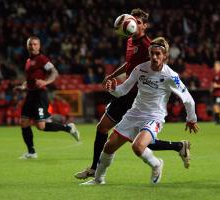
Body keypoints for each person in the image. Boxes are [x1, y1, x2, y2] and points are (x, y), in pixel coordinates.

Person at [75, 9, 192, 180]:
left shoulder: (148, 46)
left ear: (144, 25)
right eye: (131, 20)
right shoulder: (130, 40)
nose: (132, 24)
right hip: (125, 93)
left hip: (138, 97)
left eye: (137, 22)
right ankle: (95, 170)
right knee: (103, 128)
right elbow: (130, 63)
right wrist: (114, 75)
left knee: (137, 142)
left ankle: (171, 152)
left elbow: (156, 68)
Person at [15, 36, 80, 159]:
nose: (32, 46)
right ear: (27, 46)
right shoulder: (28, 61)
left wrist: (46, 82)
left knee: (41, 126)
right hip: (30, 94)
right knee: (23, 123)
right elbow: (30, 79)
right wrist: (23, 87)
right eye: (30, 44)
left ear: (39, 46)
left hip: (40, 95)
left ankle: (68, 128)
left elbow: (55, 72)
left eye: (35, 44)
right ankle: (31, 152)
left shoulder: (42, 59)